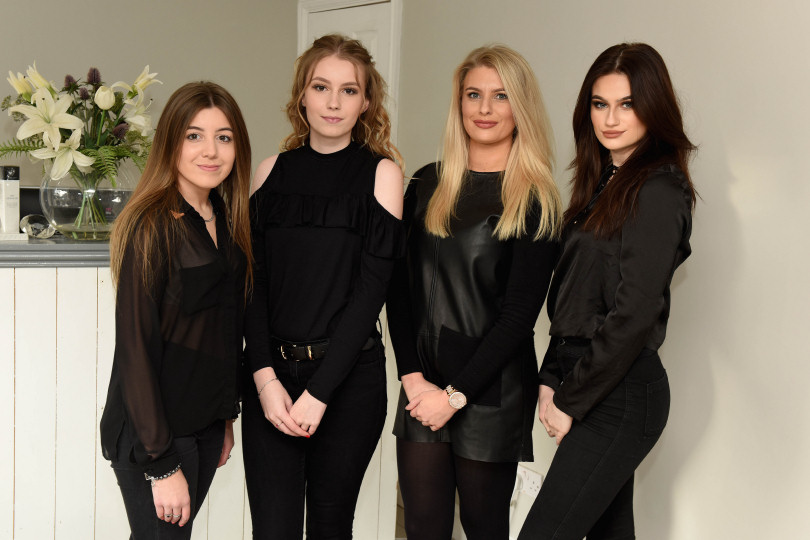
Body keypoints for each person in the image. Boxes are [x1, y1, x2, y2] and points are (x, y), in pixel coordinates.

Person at [517, 43, 697, 540]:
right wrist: (552, 376)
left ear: (653, 108)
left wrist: (570, 399)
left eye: (627, 104)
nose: (610, 118)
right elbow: (574, 294)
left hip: (620, 393)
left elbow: (632, 315)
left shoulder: (658, 191)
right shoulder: (605, 183)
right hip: (591, 380)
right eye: (600, 104)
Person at [387, 45, 562, 540]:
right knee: (422, 528)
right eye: (473, 95)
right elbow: (398, 290)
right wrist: (412, 379)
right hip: (423, 388)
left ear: (520, 107)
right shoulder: (426, 182)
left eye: (500, 96)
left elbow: (518, 318)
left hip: (491, 392)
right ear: (459, 102)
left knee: (484, 528)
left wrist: (456, 394)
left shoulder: (535, 198)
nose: (484, 109)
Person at [242, 34, 404, 539]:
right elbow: (254, 284)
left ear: (366, 102)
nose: (333, 103)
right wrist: (266, 381)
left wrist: (318, 391)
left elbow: (371, 293)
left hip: (348, 381)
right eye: (321, 86)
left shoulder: (382, 175)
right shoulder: (268, 173)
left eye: (349, 90)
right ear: (302, 96)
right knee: (273, 528)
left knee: (331, 525)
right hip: (272, 382)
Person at [100, 81, 253, 538]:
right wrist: (161, 464)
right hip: (158, 437)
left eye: (223, 137)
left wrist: (225, 418)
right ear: (171, 142)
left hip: (204, 425)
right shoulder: (151, 224)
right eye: (194, 135)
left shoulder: (225, 218)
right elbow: (135, 350)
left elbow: (223, 331)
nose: (211, 150)